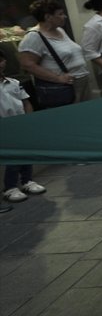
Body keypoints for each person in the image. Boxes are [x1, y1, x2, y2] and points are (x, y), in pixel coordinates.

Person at [18, 0, 90, 107]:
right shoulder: (34, 37)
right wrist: (58, 78)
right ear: (48, 17)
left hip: (79, 83)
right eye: (60, 14)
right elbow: (28, 64)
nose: (64, 16)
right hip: (62, 87)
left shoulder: (59, 30)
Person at [1, 51, 46, 205]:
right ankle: (10, 187)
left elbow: (26, 102)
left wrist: (29, 119)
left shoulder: (14, 83)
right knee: (13, 156)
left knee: (25, 153)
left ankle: (27, 180)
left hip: (20, 123)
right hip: (5, 127)